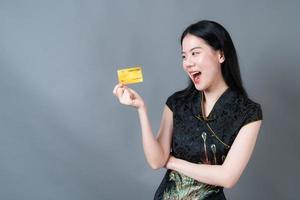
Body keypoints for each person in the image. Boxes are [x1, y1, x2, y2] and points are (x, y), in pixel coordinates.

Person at [113, 20, 263, 200]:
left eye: (195, 53)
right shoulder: (177, 103)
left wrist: (173, 161)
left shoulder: (248, 113)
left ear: (220, 54)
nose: (188, 63)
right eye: (184, 56)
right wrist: (141, 109)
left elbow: (227, 177)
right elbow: (156, 161)